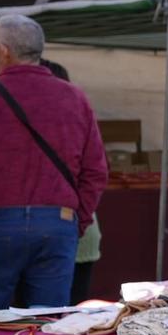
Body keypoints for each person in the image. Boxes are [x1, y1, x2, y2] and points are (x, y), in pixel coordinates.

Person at [0, 14, 106, 323]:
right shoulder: (74, 97)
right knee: (48, 326)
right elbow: (96, 170)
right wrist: (76, 221)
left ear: (4, 50)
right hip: (58, 221)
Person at [39, 60, 105, 305]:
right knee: (69, 313)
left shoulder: (67, 125)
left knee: (48, 316)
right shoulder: (76, 120)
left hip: (67, 230)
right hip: (78, 228)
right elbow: (96, 173)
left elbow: (95, 173)